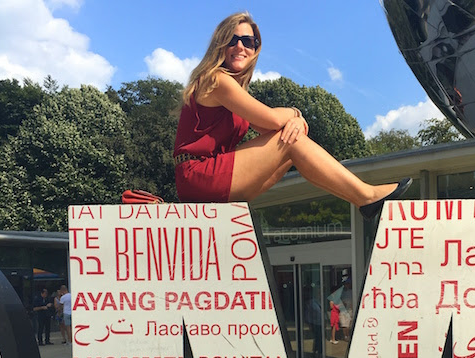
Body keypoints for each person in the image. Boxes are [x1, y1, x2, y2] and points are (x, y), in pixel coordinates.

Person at [174, 12, 412, 218]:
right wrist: (296, 113)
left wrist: (294, 123)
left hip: (210, 174)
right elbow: (274, 120)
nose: (240, 47)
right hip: (198, 174)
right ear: (220, 44)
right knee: (291, 140)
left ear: (255, 48)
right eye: (232, 40)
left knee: (291, 149)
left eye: (248, 41)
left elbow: (269, 128)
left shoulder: (234, 88)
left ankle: (364, 202)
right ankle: (366, 196)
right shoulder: (217, 80)